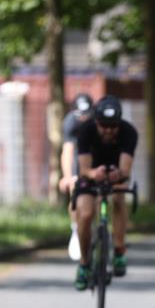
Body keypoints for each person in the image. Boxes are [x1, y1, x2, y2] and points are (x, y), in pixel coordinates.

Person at [73, 96, 138, 290]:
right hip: (91, 174)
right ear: (96, 122)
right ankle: (84, 263)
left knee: (119, 196)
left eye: (113, 126)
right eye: (104, 126)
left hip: (116, 173)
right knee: (85, 214)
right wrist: (94, 173)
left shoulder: (129, 132)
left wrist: (118, 174)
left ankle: (119, 250)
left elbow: (125, 170)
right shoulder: (85, 131)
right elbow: (83, 168)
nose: (108, 130)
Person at [61, 93, 94, 261]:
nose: (83, 119)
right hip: (78, 159)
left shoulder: (98, 121)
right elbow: (68, 151)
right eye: (80, 115)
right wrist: (68, 177)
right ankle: (76, 228)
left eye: (86, 115)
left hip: (96, 156)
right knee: (76, 190)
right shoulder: (70, 122)